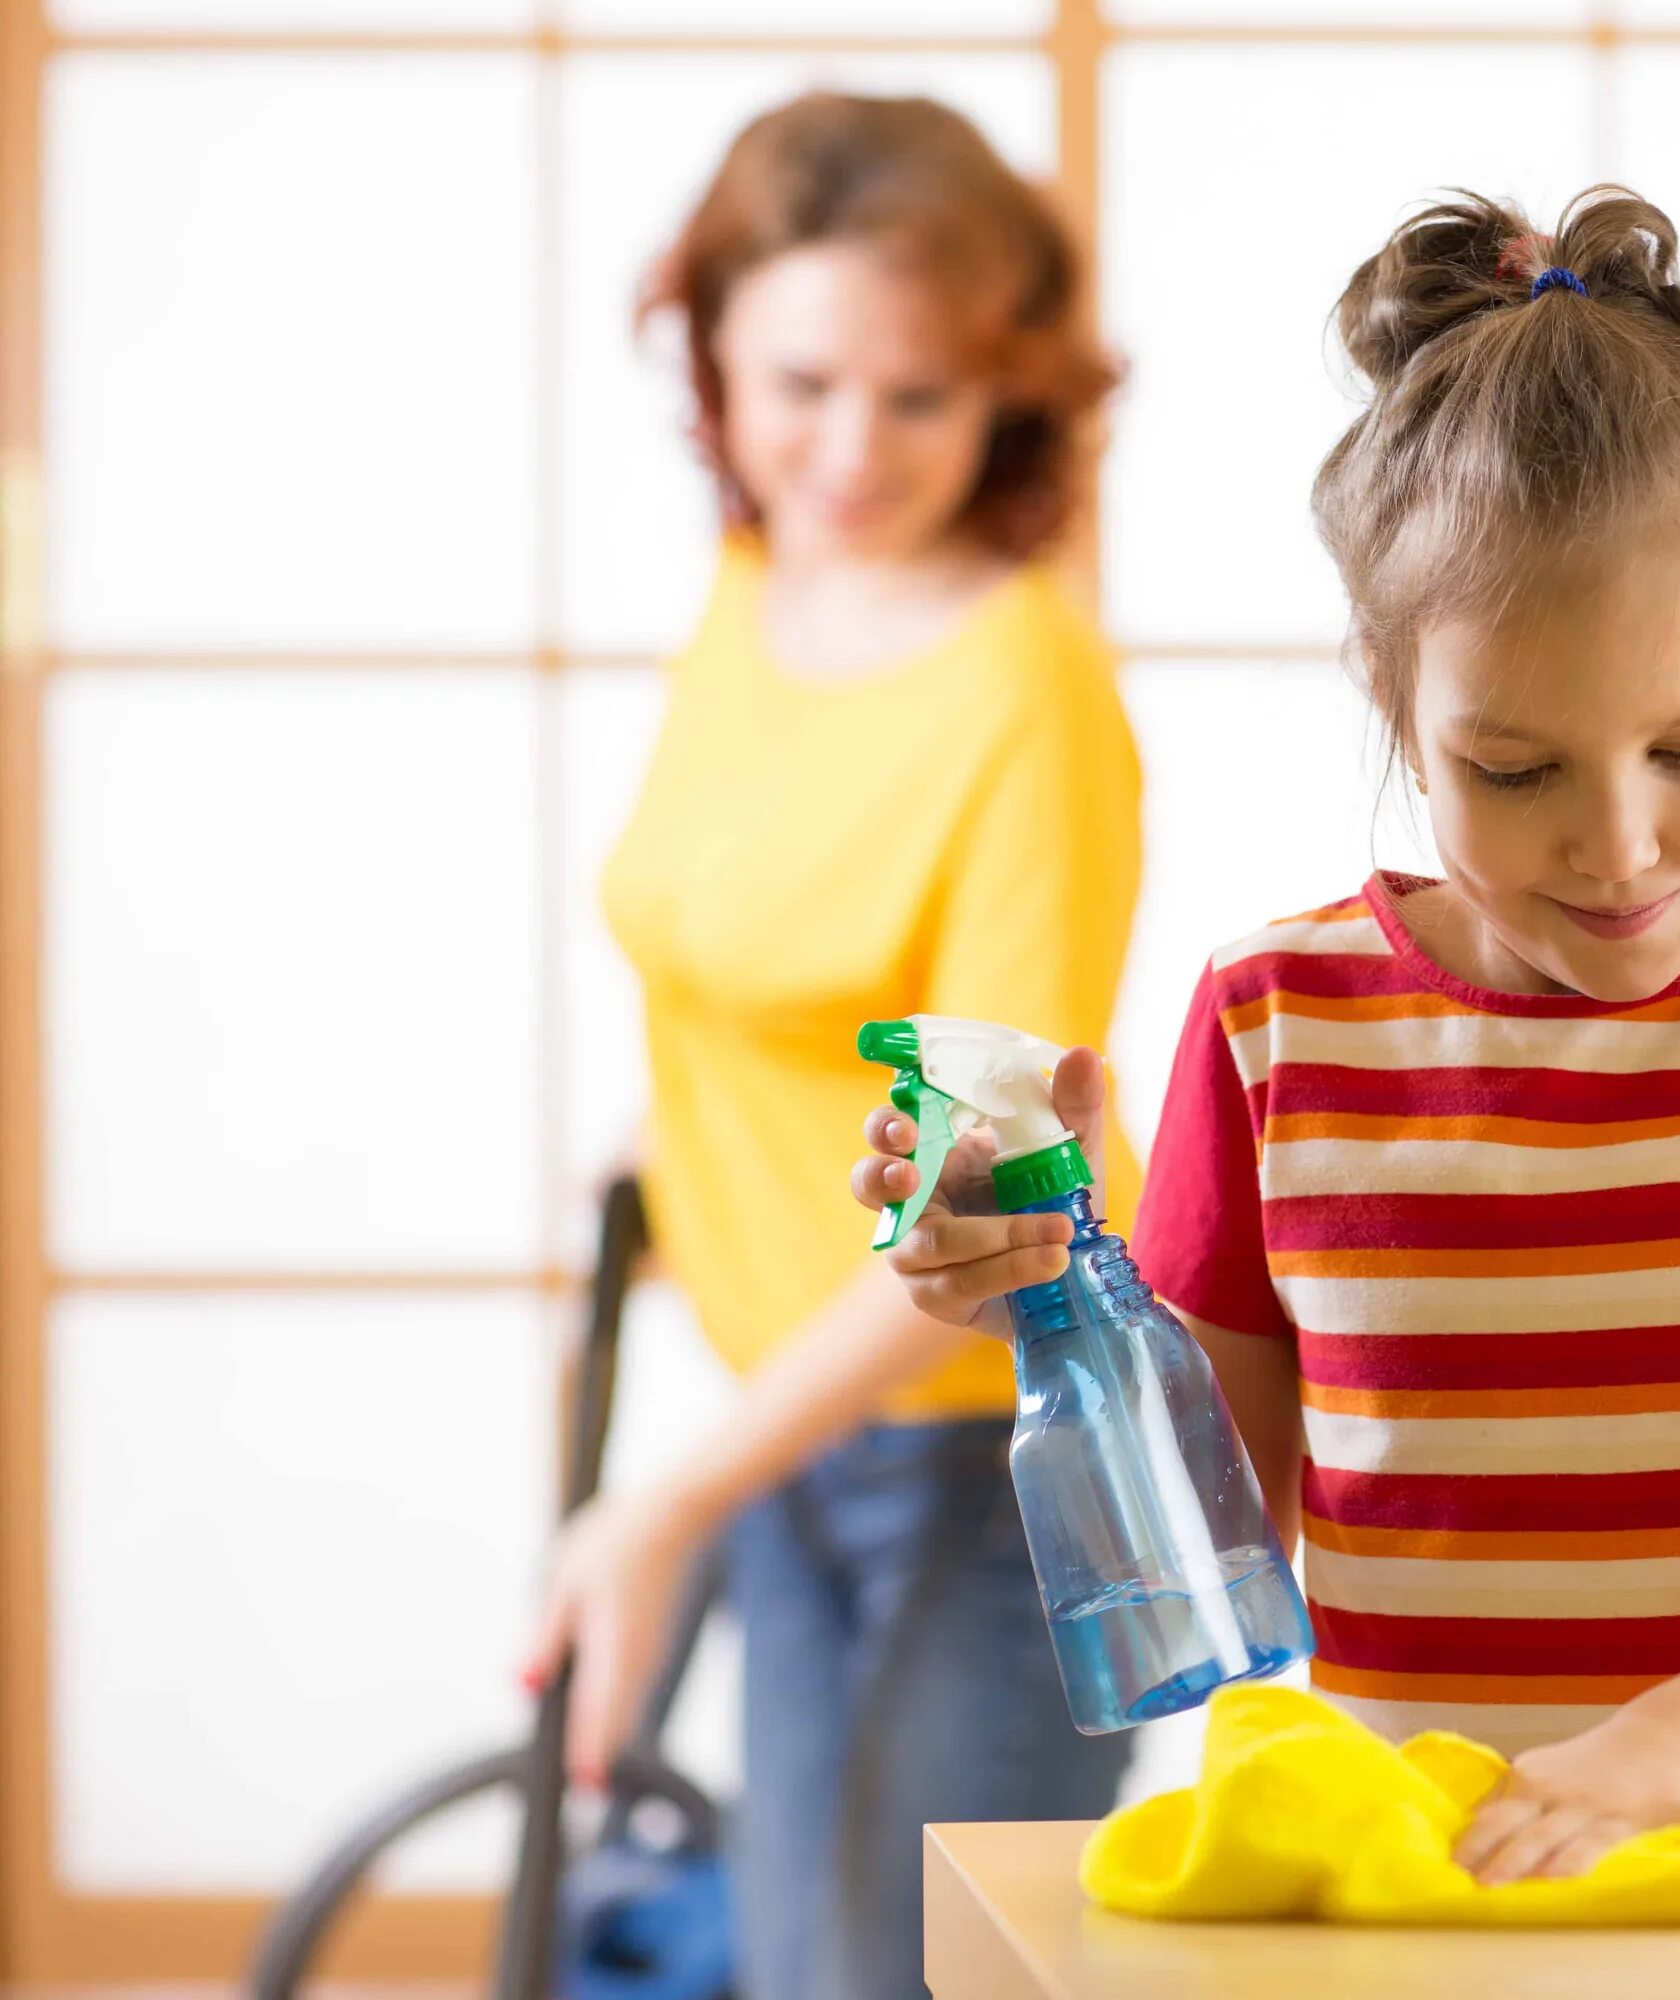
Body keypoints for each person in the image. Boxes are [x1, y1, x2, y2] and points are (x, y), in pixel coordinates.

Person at [853, 186, 1680, 1886]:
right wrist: (1050, 1289)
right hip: (1431, 1881)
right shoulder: (1272, 1026)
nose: (1616, 845)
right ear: (1393, 695)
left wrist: (1677, 1752)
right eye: (1515, 772)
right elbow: (1212, 1547)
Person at [524, 92, 1138, 2000]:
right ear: (707, 345)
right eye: (802, 383)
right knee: (798, 1962)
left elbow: (980, 1217)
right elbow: (740, 945)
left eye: (924, 400)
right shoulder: (757, 587)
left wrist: (668, 1503)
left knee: (892, 1976)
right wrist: (673, 1139)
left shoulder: (1030, 699)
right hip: (783, 1421)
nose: (851, 452)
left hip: (983, 1463)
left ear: (1012, 399)